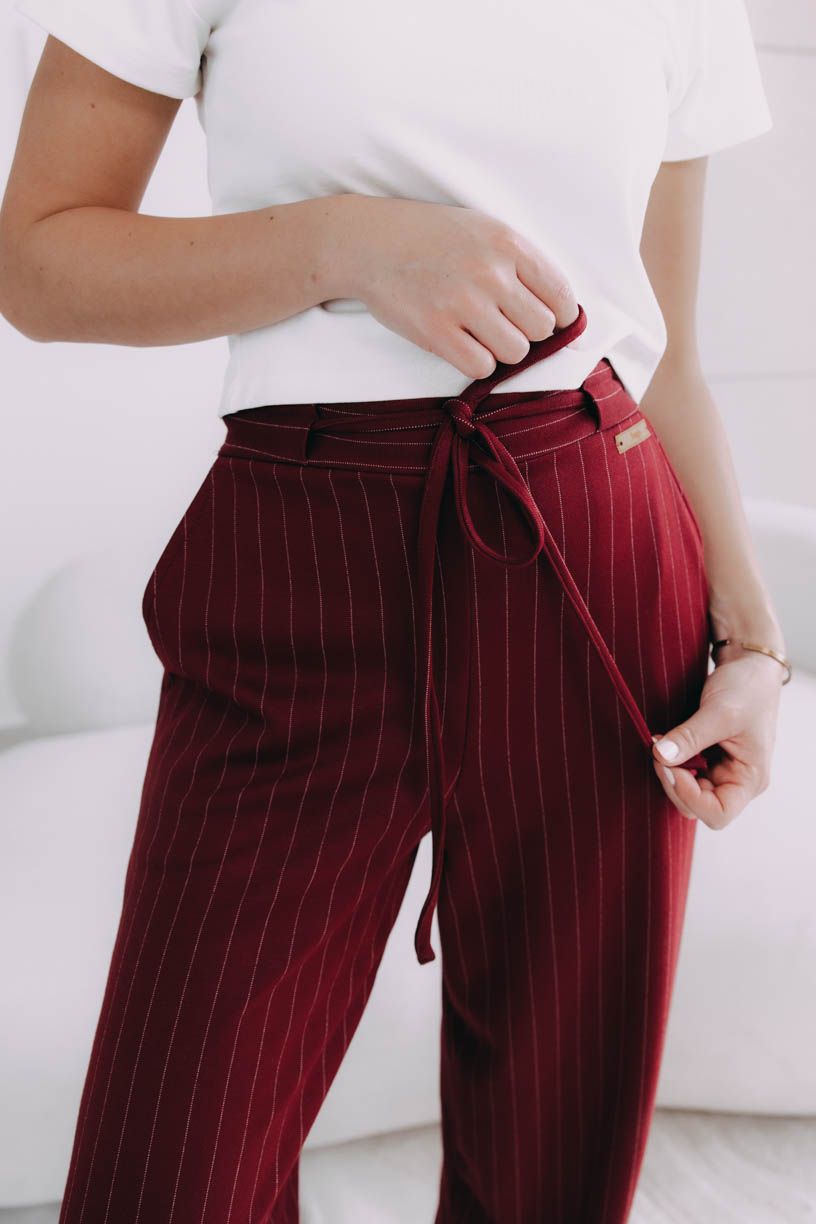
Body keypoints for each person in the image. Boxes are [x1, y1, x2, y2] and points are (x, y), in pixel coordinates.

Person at [0, 0, 792, 1220]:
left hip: (598, 549)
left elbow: (666, 356)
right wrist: (350, 246)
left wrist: (754, 643)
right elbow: (40, 263)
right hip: (299, 557)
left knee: (552, 1170)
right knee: (166, 1177)